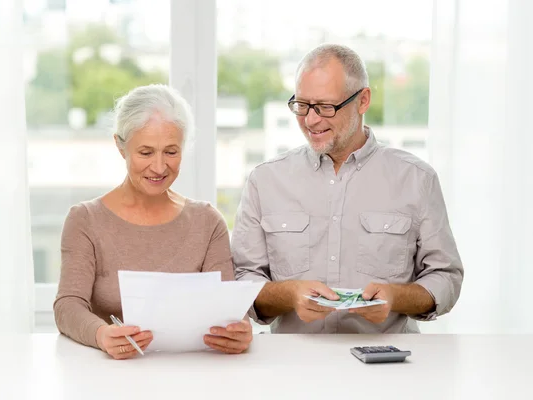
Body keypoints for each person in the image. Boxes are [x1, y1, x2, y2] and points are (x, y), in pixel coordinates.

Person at [232, 44, 464, 334]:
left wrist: (396, 298)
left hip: (387, 365)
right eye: (302, 105)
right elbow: (242, 280)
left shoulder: (417, 179)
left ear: (363, 100)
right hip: (293, 366)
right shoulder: (264, 181)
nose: (311, 120)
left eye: (326, 107)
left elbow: (446, 277)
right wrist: (289, 294)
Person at [54, 84, 252, 359]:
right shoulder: (85, 220)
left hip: (194, 374)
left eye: (171, 152)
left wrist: (239, 330)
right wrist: (101, 335)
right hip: (110, 374)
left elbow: (229, 311)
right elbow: (68, 305)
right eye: (146, 152)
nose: (159, 167)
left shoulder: (208, 223)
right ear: (120, 147)